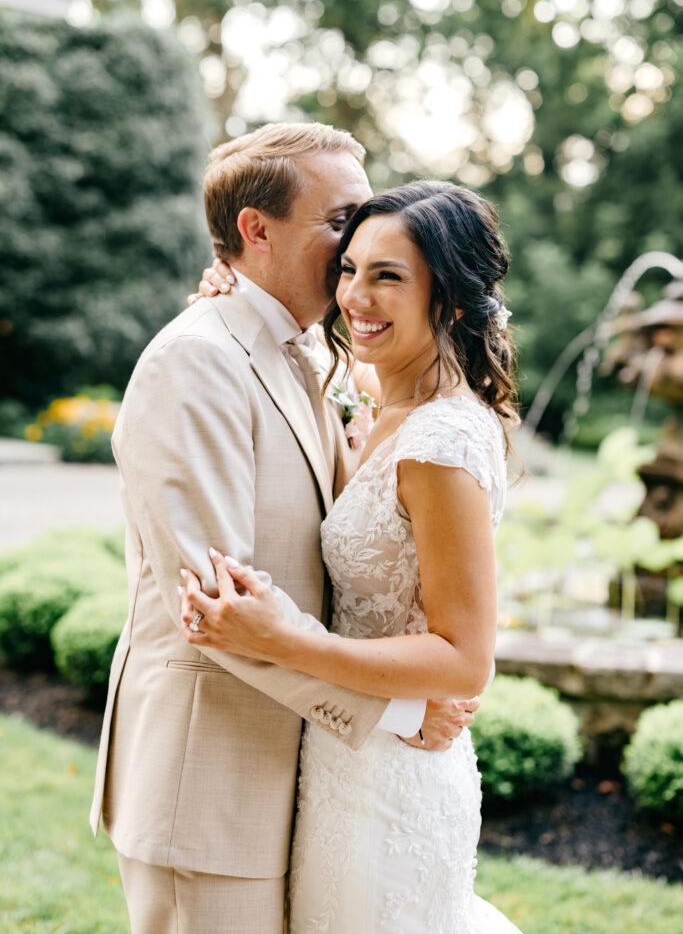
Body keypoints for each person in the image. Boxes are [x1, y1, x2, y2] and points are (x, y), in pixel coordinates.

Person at [90, 123, 475, 934]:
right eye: (338, 221)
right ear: (254, 232)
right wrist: (401, 711)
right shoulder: (193, 361)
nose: (356, 243)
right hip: (210, 785)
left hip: (297, 778)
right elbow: (220, 612)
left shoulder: (308, 353)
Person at [179, 179, 522, 933]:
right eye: (349, 270)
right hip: (341, 762)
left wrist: (287, 641)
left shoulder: (440, 444)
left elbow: (465, 660)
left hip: (394, 786)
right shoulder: (383, 400)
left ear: (454, 300)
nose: (355, 297)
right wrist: (234, 291)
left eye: (388, 276)